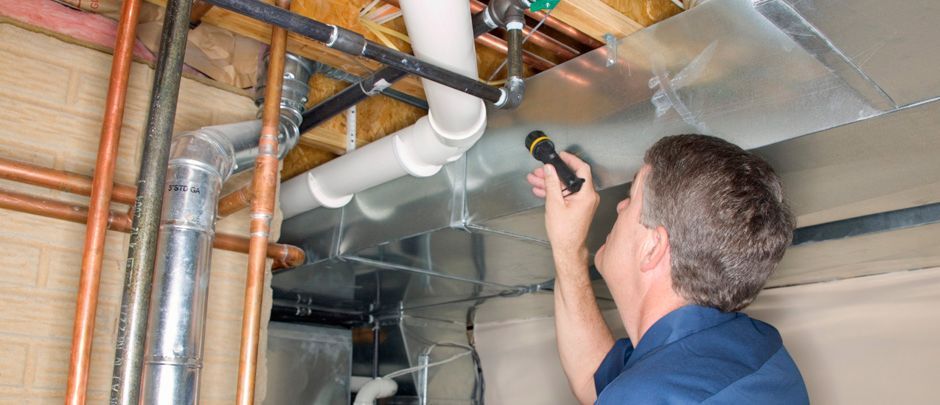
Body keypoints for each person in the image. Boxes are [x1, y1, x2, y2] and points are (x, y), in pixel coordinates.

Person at [526, 134, 809, 404]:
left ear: (653, 247)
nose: (620, 206)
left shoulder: (650, 394)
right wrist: (568, 247)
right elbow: (595, 382)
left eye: (631, 197)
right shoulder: (759, 347)